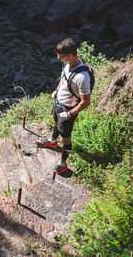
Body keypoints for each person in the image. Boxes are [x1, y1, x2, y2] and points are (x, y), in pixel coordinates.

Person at [36, 38, 91, 174]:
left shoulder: (82, 77)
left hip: (68, 109)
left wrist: (69, 114)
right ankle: (52, 141)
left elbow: (86, 102)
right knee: (56, 122)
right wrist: (57, 90)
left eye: (60, 56)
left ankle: (63, 163)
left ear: (69, 56)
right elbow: (63, 79)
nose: (58, 58)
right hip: (59, 103)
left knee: (66, 138)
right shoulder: (67, 65)